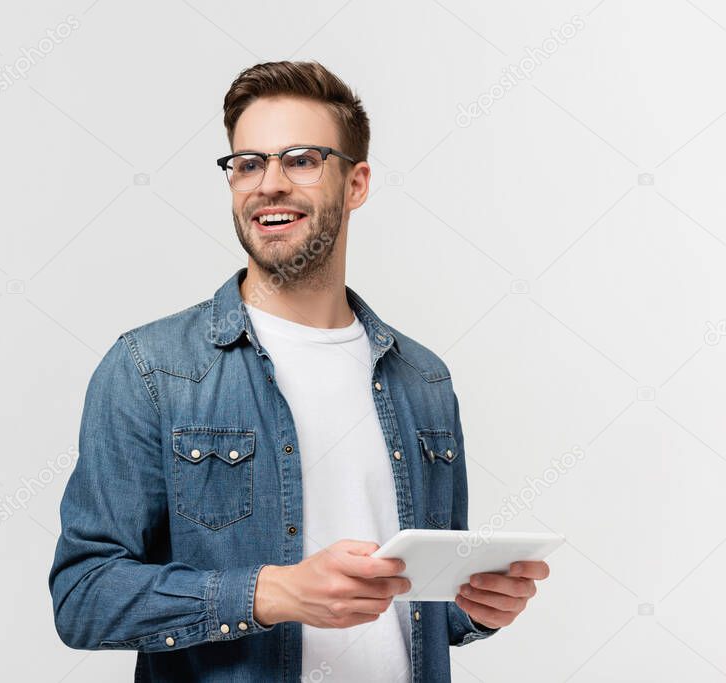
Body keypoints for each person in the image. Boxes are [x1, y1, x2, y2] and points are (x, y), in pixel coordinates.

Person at [49, 60, 550, 682]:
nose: (269, 184)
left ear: (356, 183)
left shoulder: (423, 379)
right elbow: (83, 596)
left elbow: (423, 610)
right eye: (249, 163)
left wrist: (478, 609)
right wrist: (273, 594)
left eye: (302, 160)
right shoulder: (151, 369)